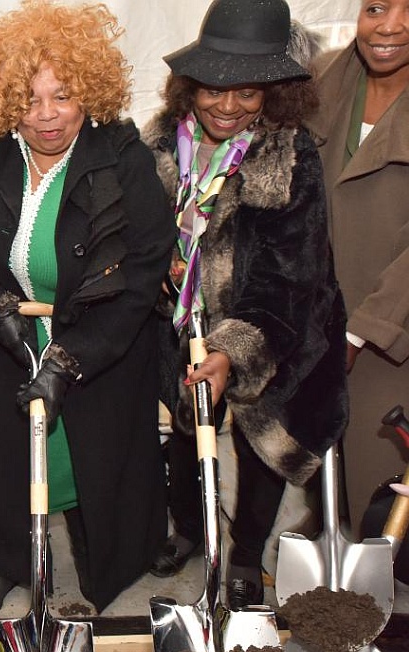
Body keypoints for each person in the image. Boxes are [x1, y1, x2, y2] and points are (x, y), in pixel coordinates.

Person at [0, 0, 175, 617]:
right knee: (3, 460)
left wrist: (71, 357)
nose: (46, 116)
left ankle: (105, 563)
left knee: (100, 462)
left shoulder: (123, 158)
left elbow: (142, 273)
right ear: (6, 98)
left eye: (62, 95)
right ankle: (10, 561)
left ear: (90, 89)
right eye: (30, 99)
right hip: (2, 338)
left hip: (97, 340)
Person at [143, 0, 348, 609]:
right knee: (185, 427)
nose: (227, 107)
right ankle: (187, 530)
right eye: (212, 89)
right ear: (189, 86)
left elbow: (291, 277)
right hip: (181, 323)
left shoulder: (291, 159)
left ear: (274, 96)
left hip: (273, 328)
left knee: (260, 436)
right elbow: (134, 233)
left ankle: (245, 554)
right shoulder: (156, 143)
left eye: (249, 94)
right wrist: (161, 267)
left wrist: (235, 350)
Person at [307, 0, 409, 534]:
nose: (389, 26)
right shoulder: (325, 76)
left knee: (385, 505)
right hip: (320, 310)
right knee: (324, 471)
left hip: (393, 326)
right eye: (375, 7)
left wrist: (361, 331)